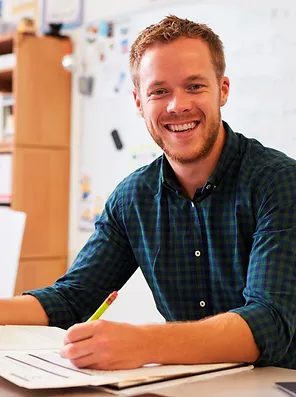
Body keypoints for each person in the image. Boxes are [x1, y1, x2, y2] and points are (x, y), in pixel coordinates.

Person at [1, 15, 296, 371]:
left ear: (223, 90)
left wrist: (142, 343)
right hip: (189, 386)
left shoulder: (279, 182)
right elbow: (72, 299)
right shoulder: (132, 199)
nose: (177, 106)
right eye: (159, 91)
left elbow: (270, 323)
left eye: (195, 86)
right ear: (140, 103)